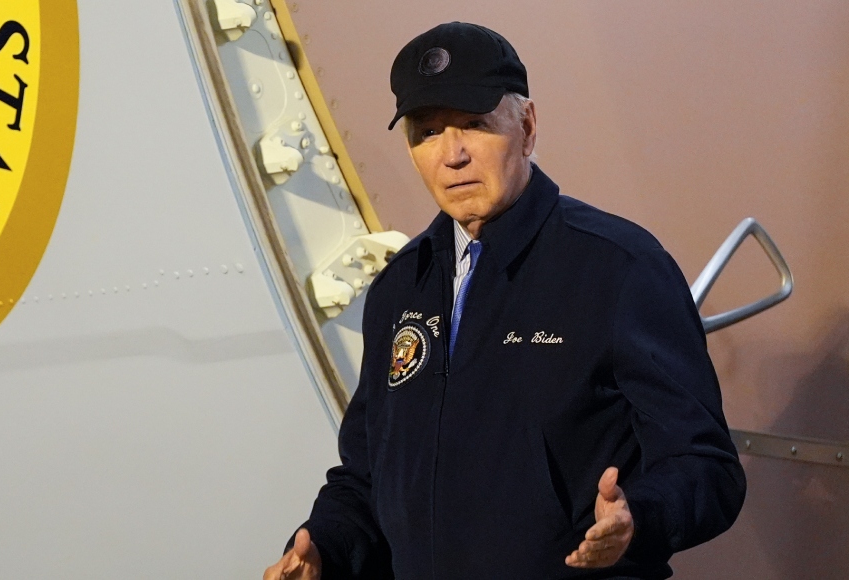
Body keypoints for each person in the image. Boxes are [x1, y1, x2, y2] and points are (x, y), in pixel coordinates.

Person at [264, 22, 745, 580]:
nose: (453, 155)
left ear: (528, 125)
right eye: (427, 132)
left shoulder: (618, 267)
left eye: (474, 124)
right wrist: (323, 546)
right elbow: (368, 477)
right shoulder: (399, 288)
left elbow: (706, 468)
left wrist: (639, 517)